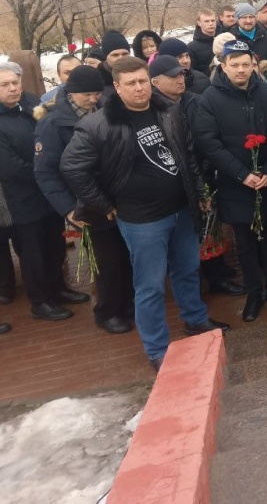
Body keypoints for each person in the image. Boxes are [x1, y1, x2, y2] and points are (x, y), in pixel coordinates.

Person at [60, 56, 229, 372]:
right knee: (150, 285)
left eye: (142, 81)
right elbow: (72, 167)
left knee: (188, 268)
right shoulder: (98, 124)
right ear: (117, 87)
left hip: (181, 209)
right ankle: (156, 348)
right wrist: (104, 205)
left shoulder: (168, 111)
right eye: (131, 83)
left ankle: (195, 320)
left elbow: (187, 154)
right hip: (142, 220)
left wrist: (199, 191)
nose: (139, 88)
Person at [195, 40, 267, 322]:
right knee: (246, 241)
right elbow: (209, 143)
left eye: (245, 64)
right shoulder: (210, 99)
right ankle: (255, 291)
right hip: (235, 184)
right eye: (234, 64)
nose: (241, 70)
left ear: (253, 65)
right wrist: (241, 174)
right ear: (223, 66)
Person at [34, 65, 135, 334]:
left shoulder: (107, 110)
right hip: (87, 203)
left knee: (126, 255)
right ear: (71, 93)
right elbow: (46, 172)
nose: (93, 99)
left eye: (96, 93)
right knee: (107, 261)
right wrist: (68, 208)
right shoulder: (53, 124)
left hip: (118, 198)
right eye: (87, 95)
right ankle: (107, 312)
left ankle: (128, 305)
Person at [149, 55, 245, 298]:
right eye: (173, 77)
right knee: (187, 238)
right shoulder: (151, 109)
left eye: (181, 74)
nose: (180, 80)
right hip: (175, 183)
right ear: (156, 83)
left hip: (203, 174)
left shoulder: (194, 101)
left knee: (209, 228)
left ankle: (217, 275)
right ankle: (197, 282)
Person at [0, 62, 88, 323]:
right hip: (22, 198)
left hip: (48, 193)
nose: (12, 88)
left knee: (55, 244)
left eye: (15, 82)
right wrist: (45, 172)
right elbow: (9, 166)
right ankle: (40, 301)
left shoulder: (30, 108)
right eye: (4, 85)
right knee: (33, 252)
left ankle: (58, 288)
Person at [97, 31, 133, 98]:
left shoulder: (140, 73)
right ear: (106, 57)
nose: (121, 58)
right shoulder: (98, 81)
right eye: (115, 55)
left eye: (125, 54)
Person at [189, 9, 218, 75]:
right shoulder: (192, 47)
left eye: (213, 20)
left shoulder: (223, 40)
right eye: (206, 21)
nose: (211, 23)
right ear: (199, 23)